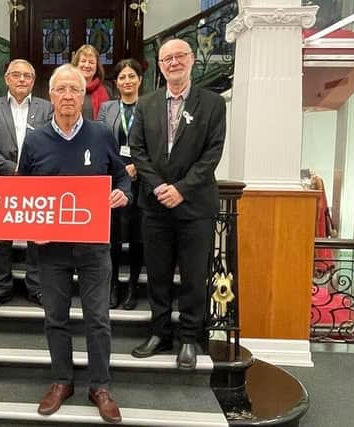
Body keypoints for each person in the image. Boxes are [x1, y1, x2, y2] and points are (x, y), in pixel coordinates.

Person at [18, 64, 131, 424]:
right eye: (61, 89)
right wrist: (30, 226)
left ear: (84, 96)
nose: (68, 95)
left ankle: (100, 385)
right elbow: (22, 193)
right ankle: (61, 380)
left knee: (98, 318)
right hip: (51, 249)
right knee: (56, 318)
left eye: (74, 90)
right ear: (50, 96)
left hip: (95, 246)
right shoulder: (34, 140)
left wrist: (121, 194)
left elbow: (122, 179)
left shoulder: (101, 135)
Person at [129, 39, 226, 370]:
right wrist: (158, 187)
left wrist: (182, 189)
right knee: (156, 274)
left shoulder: (212, 104)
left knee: (194, 276)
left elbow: (212, 154)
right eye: (166, 58)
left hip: (195, 206)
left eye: (179, 56)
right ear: (159, 66)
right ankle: (159, 333)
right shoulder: (146, 104)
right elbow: (137, 151)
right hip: (155, 207)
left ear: (192, 60)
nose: (173, 62)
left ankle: (188, 338)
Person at [0, 59, 53, 310]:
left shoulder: (46, 108)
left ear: (33, 81)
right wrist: (14, 170)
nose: (22, 79)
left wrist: (30, 172)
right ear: (6, 78)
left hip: (36, 183)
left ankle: (36, 288)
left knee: (36, 237)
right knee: (1, 238)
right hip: (2, 181)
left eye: (27, 76)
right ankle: (1, 289)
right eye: (16, 75)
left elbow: (52, 143)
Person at [98, 58, 145, 311]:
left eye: (131, 76)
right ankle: (113, 285)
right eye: (122, 77)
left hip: (142, 178)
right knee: (113, 237)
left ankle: (132, 287)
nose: (127, 81)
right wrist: (120, 167)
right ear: (116, 82)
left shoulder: (149, 106)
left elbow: (153, 141)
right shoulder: (107, 108)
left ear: (139, 79)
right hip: (115, 179)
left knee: (137, 238)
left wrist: (137, 165)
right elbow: (102, 141)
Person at [71, 44, 110, 120]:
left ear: (96, 66)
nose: (87, 65)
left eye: (91, 62)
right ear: (76, 65)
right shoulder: (67, 89)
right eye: (83, 61)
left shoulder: (106, 91)